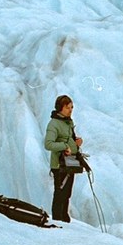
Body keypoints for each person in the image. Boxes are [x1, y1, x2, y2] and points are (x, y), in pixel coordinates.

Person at [44, 94, 82, 222]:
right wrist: (65, 146)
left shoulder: (68, 122)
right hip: (59, 165)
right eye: (67, 108)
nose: (70, 110)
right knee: (60, 194)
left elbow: (68, 138)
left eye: (71, 107)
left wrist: (75, 142)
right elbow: (48, 144)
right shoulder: (54, 124)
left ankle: (64, 218)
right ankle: (57, 219)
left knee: (66, 194)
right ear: (60, 108)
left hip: (69, 164)